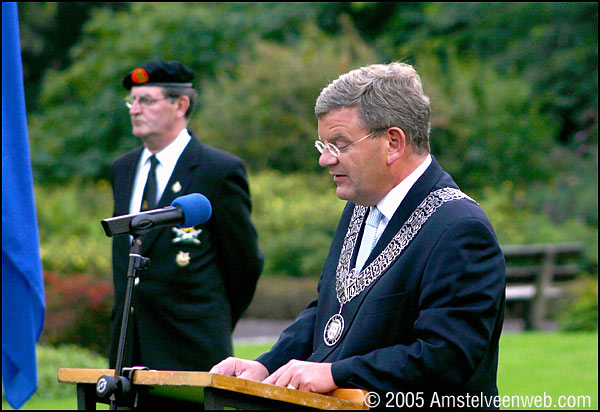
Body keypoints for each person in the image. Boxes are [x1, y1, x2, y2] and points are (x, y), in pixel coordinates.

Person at [210, 62, 505, 408]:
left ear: (393, 142)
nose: (324, 159)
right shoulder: (361, 205)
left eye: (339, 143)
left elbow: (449, 354)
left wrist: (336, 373)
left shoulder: (459, 227)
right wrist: (266, 365)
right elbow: (329, 310)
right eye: (323, 144)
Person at [108, 60, 263, 374]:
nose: (134, 110)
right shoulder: (122, 169)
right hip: (129, 348)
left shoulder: (217, 170)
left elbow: (244, 263)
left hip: (192, 349)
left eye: (146, 101)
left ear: (180, 105)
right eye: (132, 101)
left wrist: (210, 320)